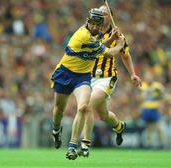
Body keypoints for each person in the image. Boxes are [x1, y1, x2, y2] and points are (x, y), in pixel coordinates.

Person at [50, 8, 125, 160]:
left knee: (84, 107)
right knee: (59, 110)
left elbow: (98, 47)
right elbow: (108, 52)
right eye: (94, 24)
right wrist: (120, 44)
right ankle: (56, 131)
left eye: (99, 25)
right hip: (65, 73)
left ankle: (72, 146)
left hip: (82, 77)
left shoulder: (92, 37)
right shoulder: (83, 35)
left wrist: (110, 39)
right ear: (88, 22)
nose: (96, 28)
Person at [78, 5, 142, 157]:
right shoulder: (88, 31)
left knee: (87, 105)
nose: (101, 15)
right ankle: (119, 127)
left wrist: (132, 74)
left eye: (105, 13)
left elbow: (125, 55)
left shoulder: (118, 36)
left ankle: (85, 144)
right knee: (104, 116)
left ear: (110, 17)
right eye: (100, 12)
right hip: (89, 77)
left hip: (107, 78)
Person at [140, 70, 165, 149]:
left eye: (149, 76)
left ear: (152, 77)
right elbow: (139, 98)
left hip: (155, 108)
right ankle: (149, 144)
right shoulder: (142, 85)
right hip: (146, 108)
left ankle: (162, 144)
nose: (148, 78)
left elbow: (163, 96)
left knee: (158, 127)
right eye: (147, 76)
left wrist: (161, 104)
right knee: (149, 128)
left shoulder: (157, 86)